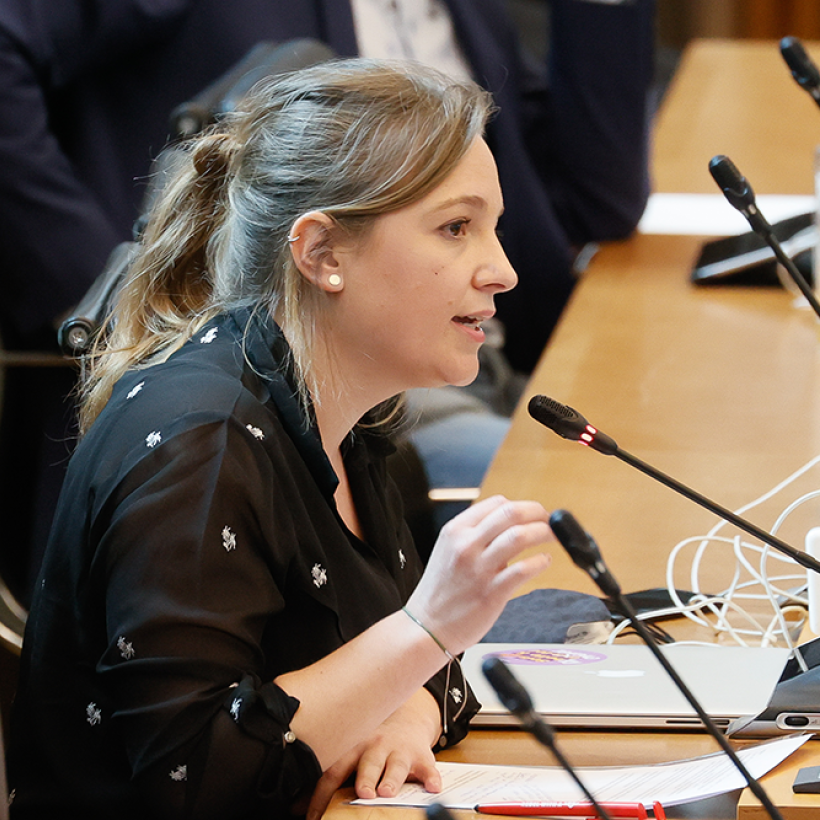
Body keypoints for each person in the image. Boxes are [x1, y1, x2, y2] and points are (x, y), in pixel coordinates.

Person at [7, 59, 554, 818]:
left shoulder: (356, 416)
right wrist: (426, 632)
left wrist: (403, 705)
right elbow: (195, 780)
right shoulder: (201, 450)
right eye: (456, 228)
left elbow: (422, 661)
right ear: (322, 253)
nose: (502, 272)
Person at [0, 0, 653, 606]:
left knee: (649, 469)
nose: (500, 264)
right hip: (312, 360)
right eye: (458, 227)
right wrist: (115, 289)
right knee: (585, 509)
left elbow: (597, 200)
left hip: (483, 350)